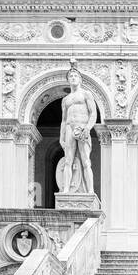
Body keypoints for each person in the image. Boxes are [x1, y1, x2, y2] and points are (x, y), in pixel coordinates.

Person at [58, 66, 97, 194]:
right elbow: (63, 120)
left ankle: (90, 190)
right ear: (68, 80)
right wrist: (61, 137)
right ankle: (66, 189)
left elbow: (93, 113)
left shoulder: (86, 94)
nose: (73, 78)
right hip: (69, 127)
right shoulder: (65, 99)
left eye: (75, 76)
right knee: (68, 160)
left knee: (86, 161)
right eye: (71, 76)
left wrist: (87, 128)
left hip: (82, 127)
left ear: (80, 79)